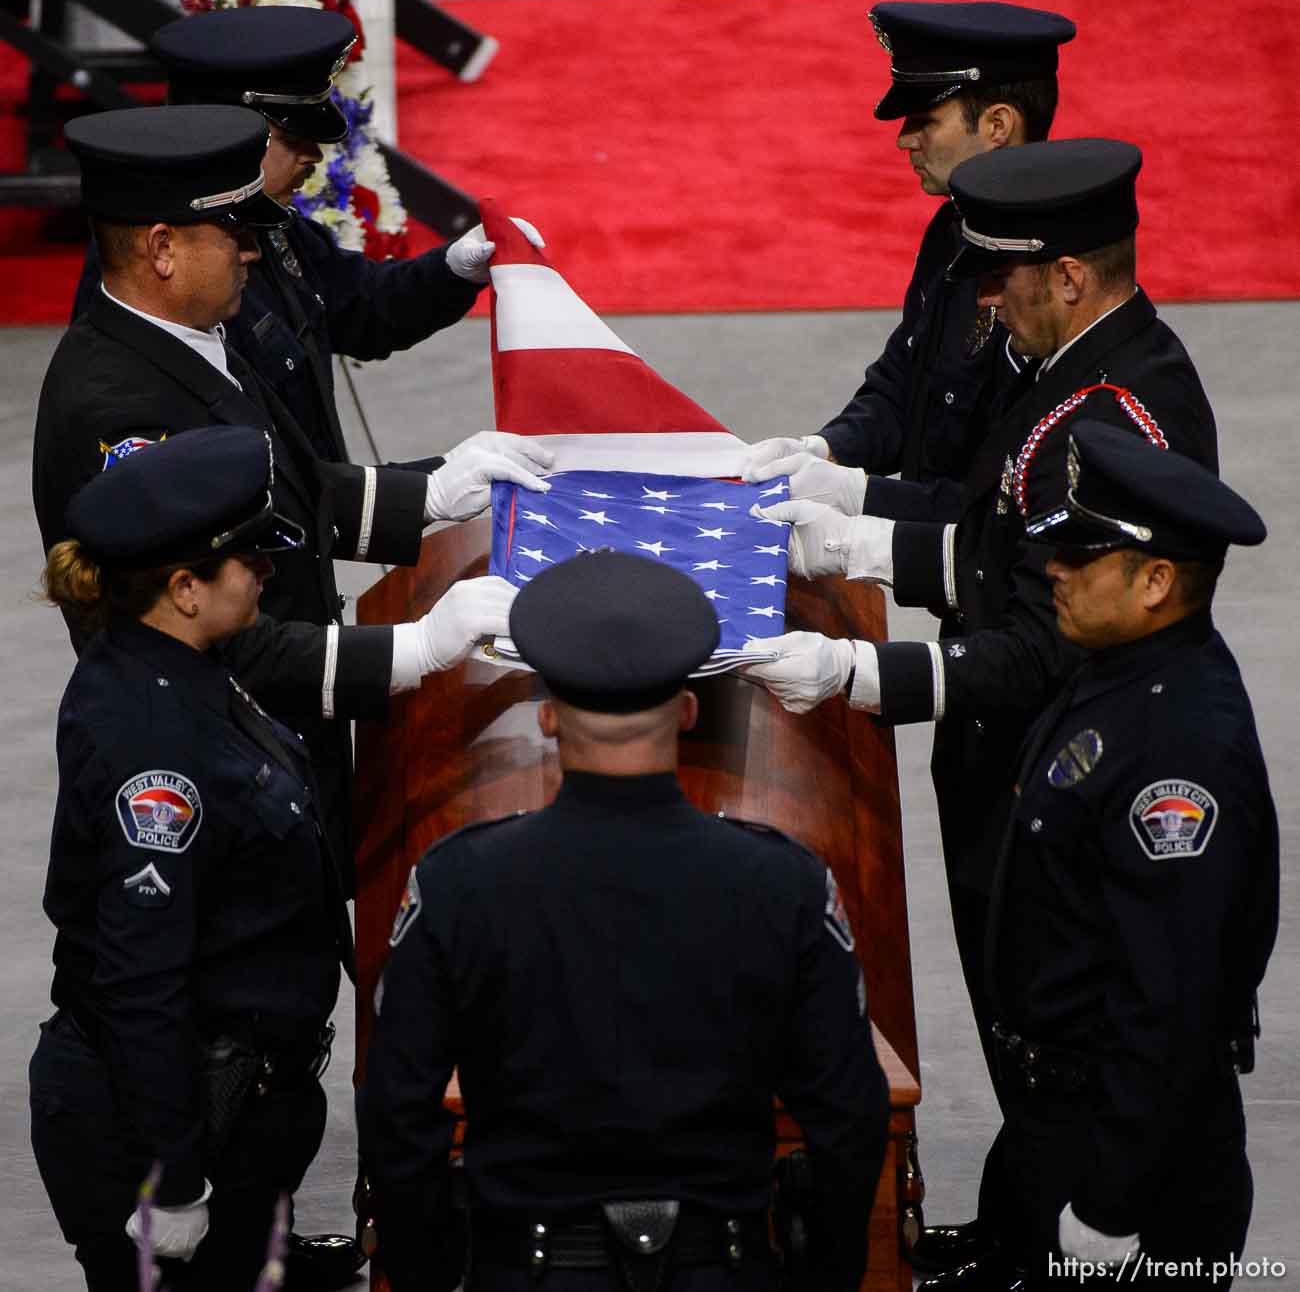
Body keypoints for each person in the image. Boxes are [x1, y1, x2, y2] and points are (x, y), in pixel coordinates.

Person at [741, 138, 1220, 1289]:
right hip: (1020, 764)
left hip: (1076, 766)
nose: (987, 297)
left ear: (1068, 276)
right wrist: (853, 518)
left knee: (1081, 1036)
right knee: (1028, 1033)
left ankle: (1129, 1247)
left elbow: (1044, 635)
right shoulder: (1062, 378)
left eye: (1005, 276)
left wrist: (865, 677)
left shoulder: (1115, 416)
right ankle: (1023, 1235)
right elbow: (1006, 540)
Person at [356, 551, 891, 1292]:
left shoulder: (460, 884)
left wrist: (432, 1272)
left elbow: (396, 1111)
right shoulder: (782, 883)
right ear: (688, 710)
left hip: (526, 1271)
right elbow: (849, 1115)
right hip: (725, 1270)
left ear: (546, 715)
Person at [34, 103, 542, 873]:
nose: (251, 254)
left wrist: (435, 492)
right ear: (162, 248)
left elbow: (285, 490)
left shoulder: (190, 337)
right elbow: (207, 633)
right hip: (212, 786)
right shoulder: (121, 410)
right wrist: (409, 652)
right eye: (233, 234)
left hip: (274, 741)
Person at [29, 427, 415, 1291]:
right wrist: (174, 1180)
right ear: (184, 588)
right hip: (167, 1128)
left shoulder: (184, 665)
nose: (267, 574)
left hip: (241, 1110)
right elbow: (141, 973)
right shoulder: (152, 745)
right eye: (249, 562)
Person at [984, 420, 1277, 1285]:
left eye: (1083, 558)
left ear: (1157, 581)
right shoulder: (1121, 667)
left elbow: (1171, 1004)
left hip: (1135, 1171)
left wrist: (1111, 1207)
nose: (1055, 570)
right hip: (1058, 1120)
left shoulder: (1182, 751)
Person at [71, 3, 540, 463]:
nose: (314, 155)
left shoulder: (264, 225)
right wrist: (421, 491)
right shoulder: (159, 275)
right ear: (225, 132)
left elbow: (360, 307)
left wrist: (454, 269)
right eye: (292, 137)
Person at [743, 0, 1075, 522]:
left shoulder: (1048, 281)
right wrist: (826, 450)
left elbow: (1005, 506)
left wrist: (860, 500)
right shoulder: (954, 233)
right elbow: (906, 382)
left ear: (998, 126)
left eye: (925, 121)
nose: (904, 140)